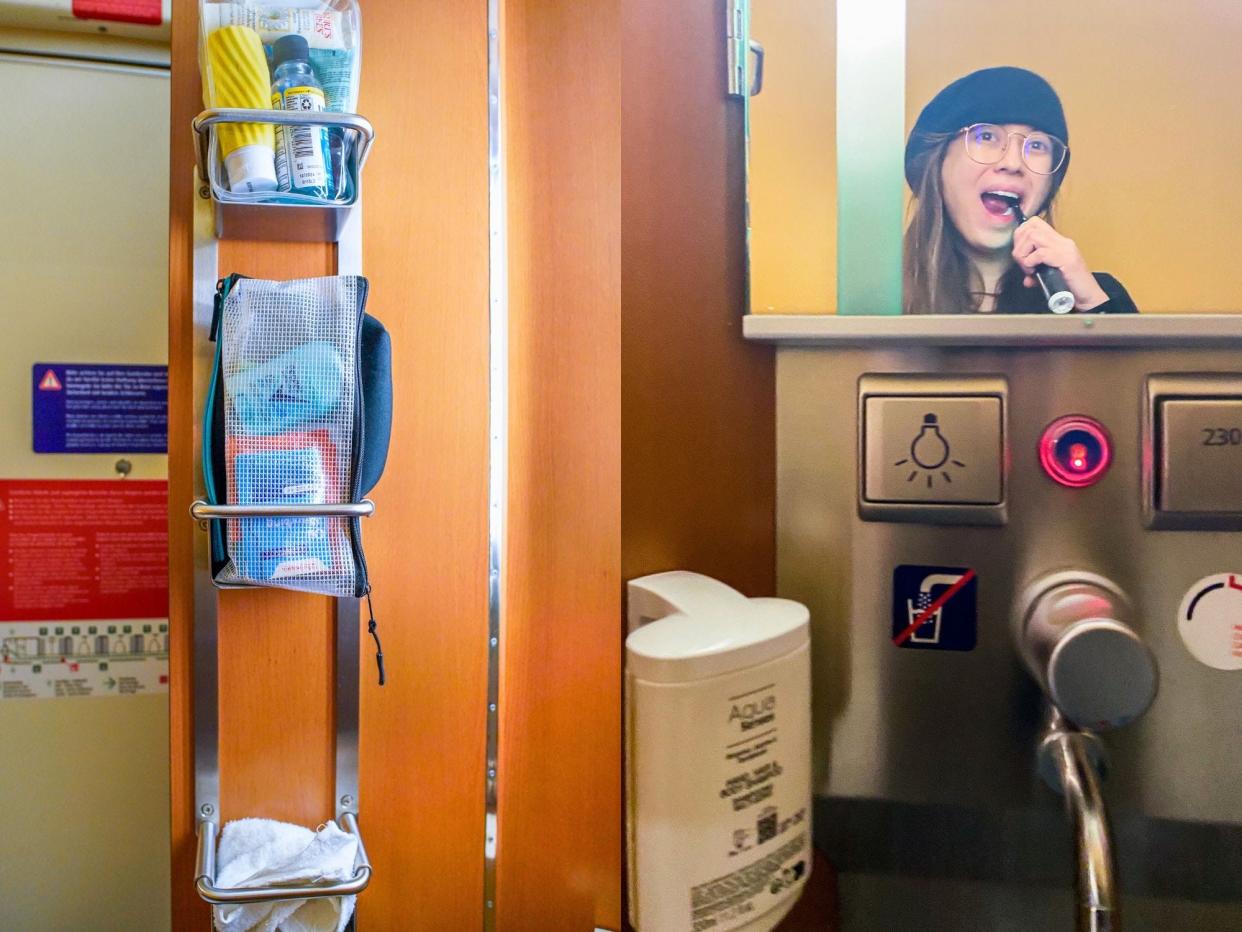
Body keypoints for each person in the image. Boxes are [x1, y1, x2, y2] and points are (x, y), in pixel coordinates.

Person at [903, 66, 1137, 315]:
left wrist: (1092, 306)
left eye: (1036, 145)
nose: (1013, 163)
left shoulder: (1095, 295)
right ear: (937, 163)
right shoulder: (881, 302)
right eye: (986, 137)